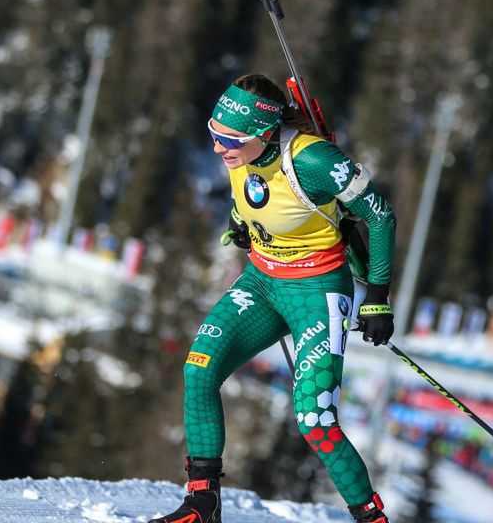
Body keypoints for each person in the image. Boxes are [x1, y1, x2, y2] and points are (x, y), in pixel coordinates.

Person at [149, 74, 397, 523]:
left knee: (315, 420)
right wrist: (242, 224)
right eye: (212, 133)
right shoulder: (239, 153)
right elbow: (252, 196)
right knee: (198, 370)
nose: (218, 148)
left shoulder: (313, 160)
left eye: (228, 139)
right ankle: (203, 503)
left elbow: (380, 217)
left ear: (263, 134)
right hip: (262, 281)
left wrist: (377, 298)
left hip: (316, 290)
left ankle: (371, 518)